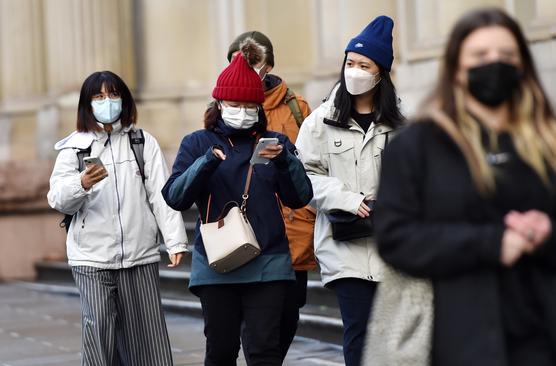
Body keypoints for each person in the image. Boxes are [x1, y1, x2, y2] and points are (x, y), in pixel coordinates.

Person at [373, 8, 556, 366]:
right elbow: (395, 238)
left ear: (522, 65)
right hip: (450, 338)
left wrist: (547, 232)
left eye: (506, 55)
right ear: (457, 68)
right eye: (481, 56)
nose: (495, 64)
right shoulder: (418, 145)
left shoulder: (546, 142)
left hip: (536, 338)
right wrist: (491, 244)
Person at [161, 41, 313, 366]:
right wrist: (206, 163)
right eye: (234, 103)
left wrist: (286, 160)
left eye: (249, 105)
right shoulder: (197, 143)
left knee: (264, 352)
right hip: (216, 264)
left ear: (259, 107)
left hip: (268, 263)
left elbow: (300, 197)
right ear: (219, 102)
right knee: (221, 351)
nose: (242, 111)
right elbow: (174, 197)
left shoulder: (274, 143)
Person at [47, 70, 189, 365]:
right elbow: (57, 198)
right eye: (98, 96)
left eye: (113, 94)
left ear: (124, 99)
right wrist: (82, 183)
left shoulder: (142, 142)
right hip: (91, 257)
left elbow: (161, 195)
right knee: (100, 332)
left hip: (140, 255)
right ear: (87, 104)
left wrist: (175, 241)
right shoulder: (74, 148)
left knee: (147, 341)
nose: (107, 101)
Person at [295, 15, 405, 366]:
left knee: (393, 339)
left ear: (380, 73)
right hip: (345, 248)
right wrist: (347, 199)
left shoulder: (402, 122)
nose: (354, 71)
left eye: (364, 65)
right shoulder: (321, 120)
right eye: (350, 63)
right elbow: (303, 176)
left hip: (393, 247)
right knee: (358, 334)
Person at [226, 31, 316, 361]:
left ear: (270, 64)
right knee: (255, 325)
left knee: (288, 315)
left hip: (292, 230)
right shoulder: (224, 108)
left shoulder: (297, 108)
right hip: (246, 230)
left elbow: (311, 169)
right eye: (241, 63)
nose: (249, 70)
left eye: (255, 64)